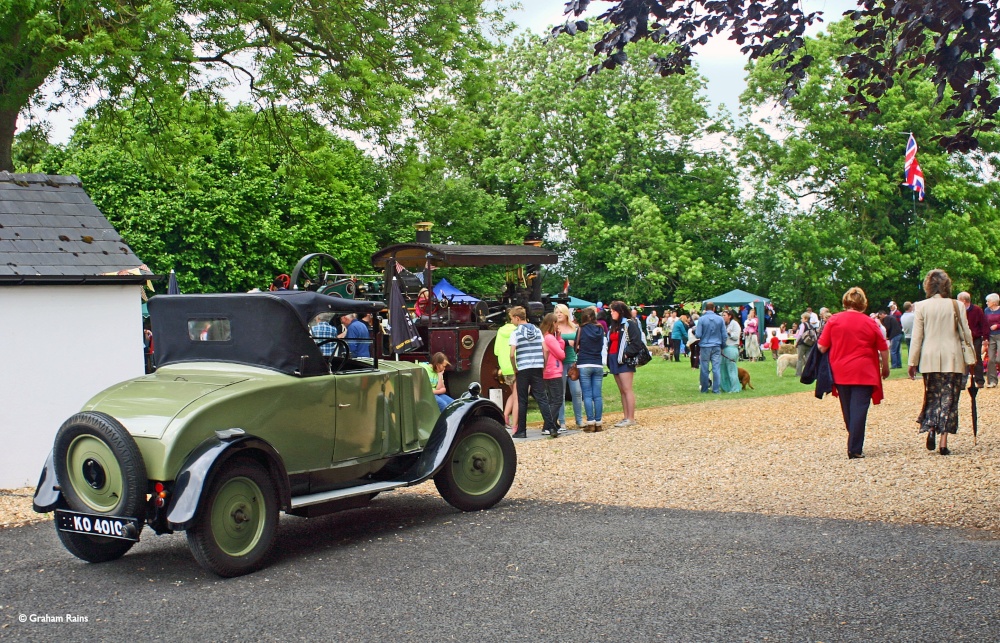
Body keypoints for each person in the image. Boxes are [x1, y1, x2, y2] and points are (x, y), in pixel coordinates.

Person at [817, 287, 889, 459]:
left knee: (848, 408)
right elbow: (883, 347)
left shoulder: (834, 320)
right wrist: (885, 367)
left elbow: (822, 346)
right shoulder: (870, 322)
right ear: (863, 303)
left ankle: (854, 441)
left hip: (841, 369)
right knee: (860, 409)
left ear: (845, 302)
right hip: (864, 371)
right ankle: (855, 447)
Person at [908, 270, 974, 455]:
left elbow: (917, 337)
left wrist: (912, 362)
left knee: (932, 395)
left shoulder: (921, 306)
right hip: (952, 357)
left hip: (929, 357)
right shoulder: (956, 305)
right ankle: (943, 441)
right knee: (949, 399)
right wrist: (972, 357)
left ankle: (930, 428)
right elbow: (965, 333)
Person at [508, 306, 554, 439]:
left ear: (517, 318)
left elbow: (512, 354)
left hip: (522, 368)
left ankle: (521, 430)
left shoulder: (515, 333)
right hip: (537, 367)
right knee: (542, 398)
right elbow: (546, 349)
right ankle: (551, 427)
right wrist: (543, 365)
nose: (512, 322)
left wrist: (514, 367)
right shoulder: (537, 330)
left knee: (522, 400)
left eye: (512, 319)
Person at [608, 300, 641, 426]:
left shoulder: (629, 324)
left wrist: (627, 353)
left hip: (624, 359)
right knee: (622, 390)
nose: (611, 313)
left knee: (627, 389)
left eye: (613, 311)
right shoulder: (614, 326)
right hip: (613, 358)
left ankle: (631, 418)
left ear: (620, 312)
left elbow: (636, 342)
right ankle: (626, 416)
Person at [575, 307, 606, 431]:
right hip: (597, 363)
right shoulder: (600, 328)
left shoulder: (581, 329)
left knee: (587, 395)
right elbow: (602, 345)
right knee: (597, 396)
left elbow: (576, 346)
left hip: (584, 363)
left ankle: (590, 422)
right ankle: (599, 423)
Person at [555, 304, 584, 430]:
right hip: (559, 362)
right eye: (556, 312)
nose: (558, 314)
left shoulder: (575, 327)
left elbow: (580, 343)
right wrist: (567, 342)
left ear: (566, 313)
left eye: (561, 312)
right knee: (560, 393)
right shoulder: (554, 328)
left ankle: (579, 419)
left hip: (572, 361)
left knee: (577, 392)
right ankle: (562, 421)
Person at [540, 313, 567, 436]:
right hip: (554, 371)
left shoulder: (544, 337)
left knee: (551, 400)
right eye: (556, 323)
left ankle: (552, 424)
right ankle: (548, 425)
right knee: (557, 400)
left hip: (547, 371)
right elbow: (561, 354)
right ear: (553, 323)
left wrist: (559, 338)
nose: (558, 326)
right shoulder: (550, 338)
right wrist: (559, 339)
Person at [495, 311, 519, 433]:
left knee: (514, 394)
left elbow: (496, 351)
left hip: (504, 367)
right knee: (517, 396)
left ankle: (505, 416)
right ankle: (515, 424)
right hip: (516, 365)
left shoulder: (500, 331)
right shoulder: (517, 329)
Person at [695, 302, 726, 394]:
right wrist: (722, 345)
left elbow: (698, 335)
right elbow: (724, 335)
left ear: (705, 308)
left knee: (704, 368)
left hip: (705, 346)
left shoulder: (701, 319)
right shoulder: (720, 319)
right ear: (714, 308)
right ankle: (716, 389)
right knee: (716, 368)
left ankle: (704, 389)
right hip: (716, 345)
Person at [958, 292, 987, 388]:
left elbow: (983, 324)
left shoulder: (977, 310)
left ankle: (979, 381)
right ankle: (962, 381)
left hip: (975, 338)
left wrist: (985, 337)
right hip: (962, 338)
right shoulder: (958, 310)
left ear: (964, 300)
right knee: (963, 359)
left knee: (977, 359)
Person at [719, 310, 743, 393]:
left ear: (729, 316)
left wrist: (729, 333)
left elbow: (736, 337)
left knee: (731, 369)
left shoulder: (735, 324)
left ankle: (735, 388)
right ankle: (726, 387)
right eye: (722, 315)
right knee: (723, 369)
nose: (723, 317)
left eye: (724, 315)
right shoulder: (723, 325)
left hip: (731, 348)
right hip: (723, 349)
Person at [984, 293, 1000, 387]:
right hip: (991, 336)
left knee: (999, 359)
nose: (987, 303)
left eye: (988, 301)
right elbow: (984, 324)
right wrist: (985, 337)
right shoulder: (986, 310)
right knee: (991, 360)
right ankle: (992, 381)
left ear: (994, 302)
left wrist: (997, 326)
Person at [794, 313, 818, 377]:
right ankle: (809, 372)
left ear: (805, 318)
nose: (801, 319)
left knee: (800, 359)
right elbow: (815, 335)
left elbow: (800, 334)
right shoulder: (811, 326)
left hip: (802, 344)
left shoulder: (803, 325)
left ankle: (798, 373)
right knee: (808, 359)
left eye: (802, 318)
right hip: (809, 344)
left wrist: (796, 342)